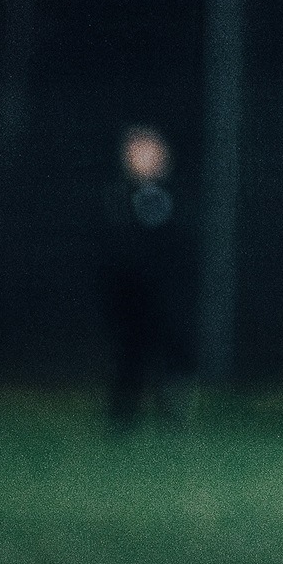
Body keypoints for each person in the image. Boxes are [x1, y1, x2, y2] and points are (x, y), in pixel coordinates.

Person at [99, 125, 184, 427]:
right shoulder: (118, 194)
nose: (146, 157)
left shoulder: (175, 193)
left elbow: (181, 240)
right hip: (129, 287)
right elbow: (114, 243)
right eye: (138, 151)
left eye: (151, 150)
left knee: (169, 348)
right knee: (128, 350)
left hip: (164, 287)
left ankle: (170, 412)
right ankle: (123, 414)